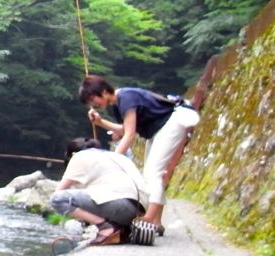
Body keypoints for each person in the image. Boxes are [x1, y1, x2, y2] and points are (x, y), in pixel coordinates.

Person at [78, 74, 199, 233]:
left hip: (170, 125)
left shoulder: (126, 98)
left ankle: (148, 219)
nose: (93, 104)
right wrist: (100, 122)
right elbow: (125, 130)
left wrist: (111, 160)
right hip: (157, 131)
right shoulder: (118, 104)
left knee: (152, 174)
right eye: (89, 102)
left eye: (92, 99)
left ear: (103, 91)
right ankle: (156, 222)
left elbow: (129, 135)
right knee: (150, 176)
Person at [50, 137, 148, 245]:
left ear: (72, 154)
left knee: (57, 199)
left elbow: (59, 192)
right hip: (140, 212)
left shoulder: (79, 156)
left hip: (121, 207)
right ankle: (120, 230)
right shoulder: (117, 157)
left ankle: (105, 227)